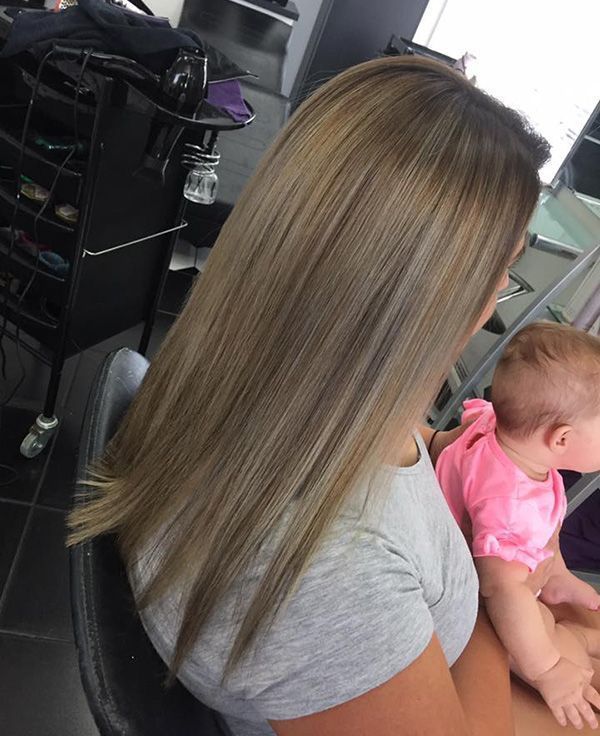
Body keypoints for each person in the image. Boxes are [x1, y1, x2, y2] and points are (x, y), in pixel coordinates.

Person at [68, 56, 598, 735]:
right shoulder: (326, 573)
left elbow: (401, 477)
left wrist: (465, 461)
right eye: (500, 268)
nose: (499, 295)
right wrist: (499, 593)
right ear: (414, 300)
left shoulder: (304, 384)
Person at [436, 322, 600, 730]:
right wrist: (549, 671)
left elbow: (547, 525)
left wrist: (556, 572)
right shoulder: (509, 507)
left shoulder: (498, 433)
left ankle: (562, 596)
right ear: (561, 439)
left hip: (505, 567)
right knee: (561, 652)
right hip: (478, 605)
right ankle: (574, 643)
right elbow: (503, 591)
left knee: (551, 597)